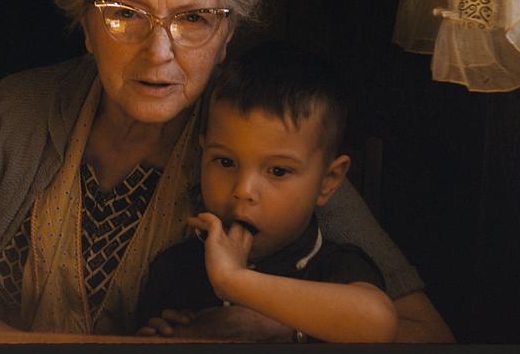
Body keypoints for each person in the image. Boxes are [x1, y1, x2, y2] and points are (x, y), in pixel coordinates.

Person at [0, 0, 454, 341]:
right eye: (124, 14)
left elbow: (421, 332)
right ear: (85, 26)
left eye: (193, 19)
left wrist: (286, 328)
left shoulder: (255, 145)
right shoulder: (15, 113)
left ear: (228, 33)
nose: (159, 53)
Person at [136, 43, 397, 342]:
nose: (243, 191)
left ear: (328, 181)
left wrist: (235, 282)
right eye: (225, 162)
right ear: (202, 153)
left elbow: (380, 324)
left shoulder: (336, 267)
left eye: (278, 171)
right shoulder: (175, 269)